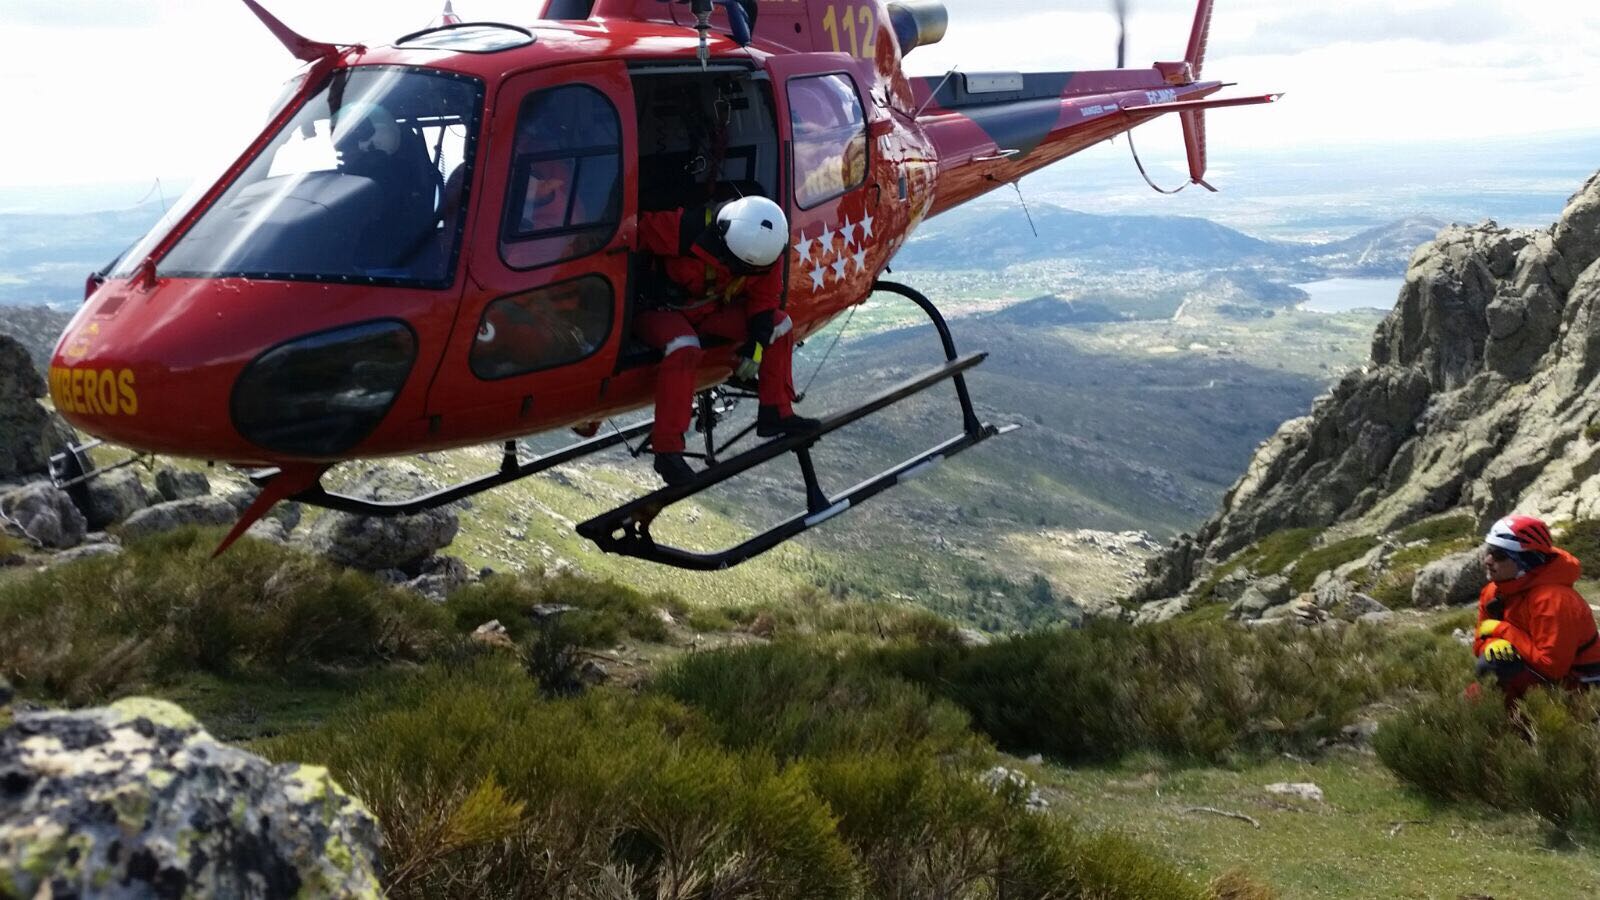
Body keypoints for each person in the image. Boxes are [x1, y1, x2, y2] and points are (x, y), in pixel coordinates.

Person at [634, 195, 819, 486]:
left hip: (709, 309)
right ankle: (667, 452)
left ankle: (776, 412)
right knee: (684, 348)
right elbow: (629, 236)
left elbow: (764, 302)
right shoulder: (682, 229)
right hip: (658, 309)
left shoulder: (766, 251)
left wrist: (755, 347)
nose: (743, 273)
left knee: (780, 325)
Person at [1472, 514, 1600, 703]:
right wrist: (1491, 645)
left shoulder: (1553, 600)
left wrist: (1504, 631)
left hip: (1579, 683)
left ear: (1525, 561)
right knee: (1477, 689)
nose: (1488, 560)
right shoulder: (1494, 592)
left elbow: (1552, 666)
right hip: (1535, 669)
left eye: (1499, 555)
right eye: (1489, 551)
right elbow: (1479, 643)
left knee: (1495, 667)